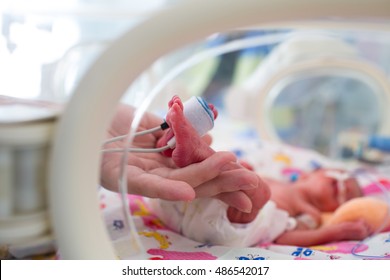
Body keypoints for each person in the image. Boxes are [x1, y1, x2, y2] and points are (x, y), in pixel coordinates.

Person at [144, 95, 371, 247]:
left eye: (347, 195)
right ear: (306, 174)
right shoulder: (276, 178)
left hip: (229, 226)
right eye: (337, 178)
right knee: (226, 176)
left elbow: (287, 237)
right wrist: (244, 170)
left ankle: (194, 150)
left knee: (257, 192)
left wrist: (337, 233)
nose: (342, 186)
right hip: (177, 200)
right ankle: (172, 149)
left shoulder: (309, 213)